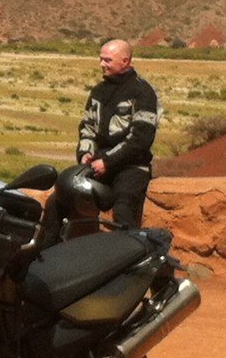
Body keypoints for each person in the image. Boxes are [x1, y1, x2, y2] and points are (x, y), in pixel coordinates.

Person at [67, 39, 159, 231]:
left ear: (125, 61)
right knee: (62, 198)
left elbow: (140, 140)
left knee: (123, 208)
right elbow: (87, 128)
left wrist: (108, 161)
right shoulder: (98, 92)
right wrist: (85, 154)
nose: (102, 64)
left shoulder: (143, 92)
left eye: (107, 60)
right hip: (98, 165)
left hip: (131, 167)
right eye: (101, 59)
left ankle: (127, 255)